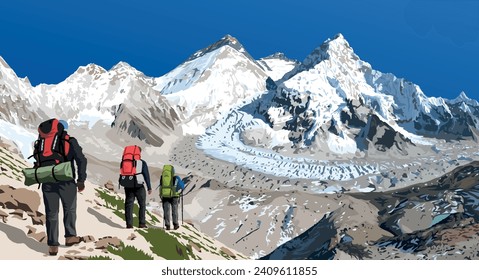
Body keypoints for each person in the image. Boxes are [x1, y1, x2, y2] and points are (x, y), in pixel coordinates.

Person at [34, 119, 87, 256]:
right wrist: (81, 180)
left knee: (51, 213)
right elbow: (81, 159)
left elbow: (37, 160)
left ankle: (52, 245)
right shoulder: (69, 140)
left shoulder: (41, 141)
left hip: (47, 180)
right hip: (66, 180)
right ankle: (70, 237)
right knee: (69, 209)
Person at [123, 146, 152, 229]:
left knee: (129, 204)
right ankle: (142, 223)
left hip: (128, 185)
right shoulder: (142, 162)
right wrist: (149, 187)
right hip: (139, 186)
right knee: (142, 204)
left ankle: (129, 224)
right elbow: (146, 175)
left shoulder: (125, 161)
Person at [159, 165, 185, 230]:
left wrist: (161, 194)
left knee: (166, 210)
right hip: (174, 196)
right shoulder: (176, 178)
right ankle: (175, 224)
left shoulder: (162, 177)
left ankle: (167, 225)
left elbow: (161, 186)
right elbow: (182, 186)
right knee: (174, 210)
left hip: (165, 195)